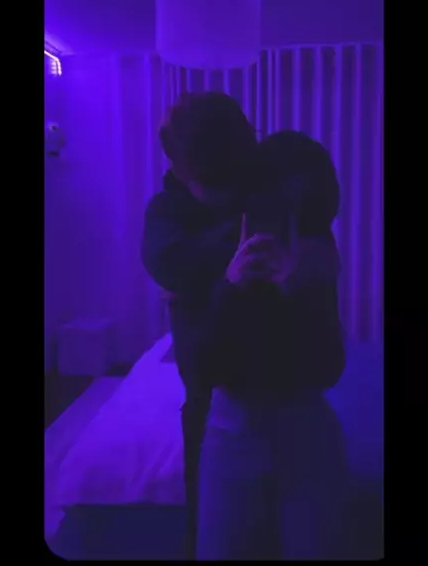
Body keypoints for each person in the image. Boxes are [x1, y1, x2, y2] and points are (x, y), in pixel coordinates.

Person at [195, 131, 349, 560]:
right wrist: (230, 288)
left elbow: (330, 367)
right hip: (232, 430)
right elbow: (203, 367)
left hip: (307, 433)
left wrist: (296, 292)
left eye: (298, 213)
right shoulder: (221, 244)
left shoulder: (318, 255)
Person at [141, 92, 258, 558]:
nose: (225, 192)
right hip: (209, 394)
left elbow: (181, 268)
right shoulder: (166, 210)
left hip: (273, 384)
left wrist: (199, 276)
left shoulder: (256, 192)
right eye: (212, 181)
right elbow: (170, 264)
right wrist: (236, 246)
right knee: (207, 526)